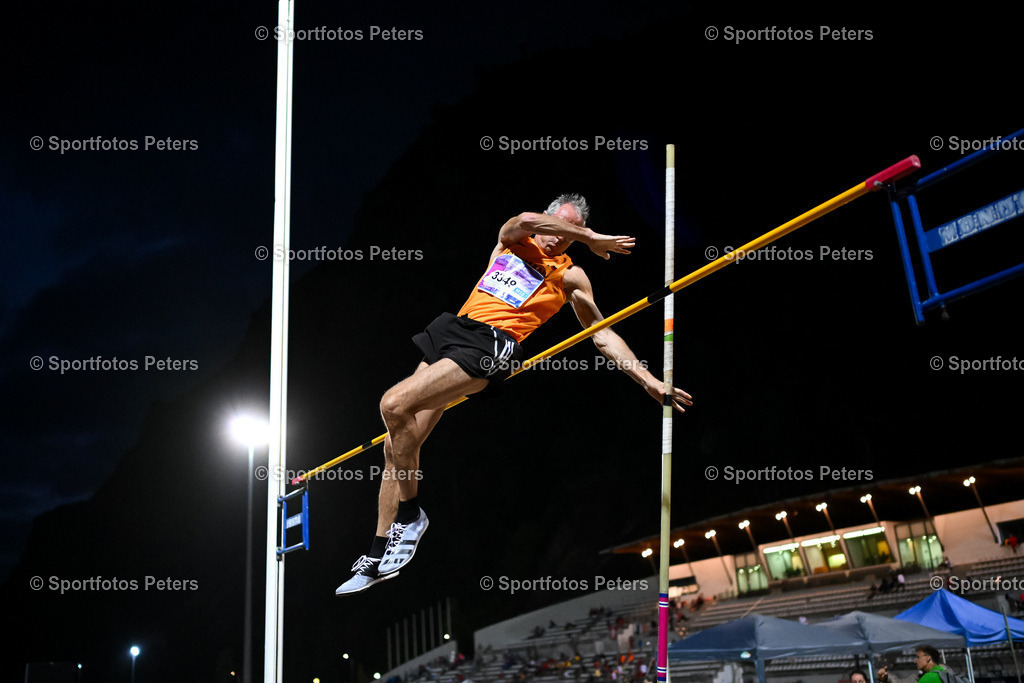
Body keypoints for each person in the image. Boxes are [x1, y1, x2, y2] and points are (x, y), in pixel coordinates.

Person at [335, 194, 693, 594]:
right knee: (396, 444)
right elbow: (525, 218)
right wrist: (590, 235)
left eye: (568, 237)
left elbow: (604, 335)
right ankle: (378, 553)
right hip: (456, 330)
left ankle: (412, 513)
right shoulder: (511, 239)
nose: (558, 240)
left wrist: (649, 381)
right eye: (557, 226)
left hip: (492, 346)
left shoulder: (570, 276)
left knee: (392, 403)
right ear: (548, 219)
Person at [877, 646, 947, 683]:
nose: (915, 661)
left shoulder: (928, 678)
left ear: (928, 658)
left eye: (918, 657)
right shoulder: (946, 673)